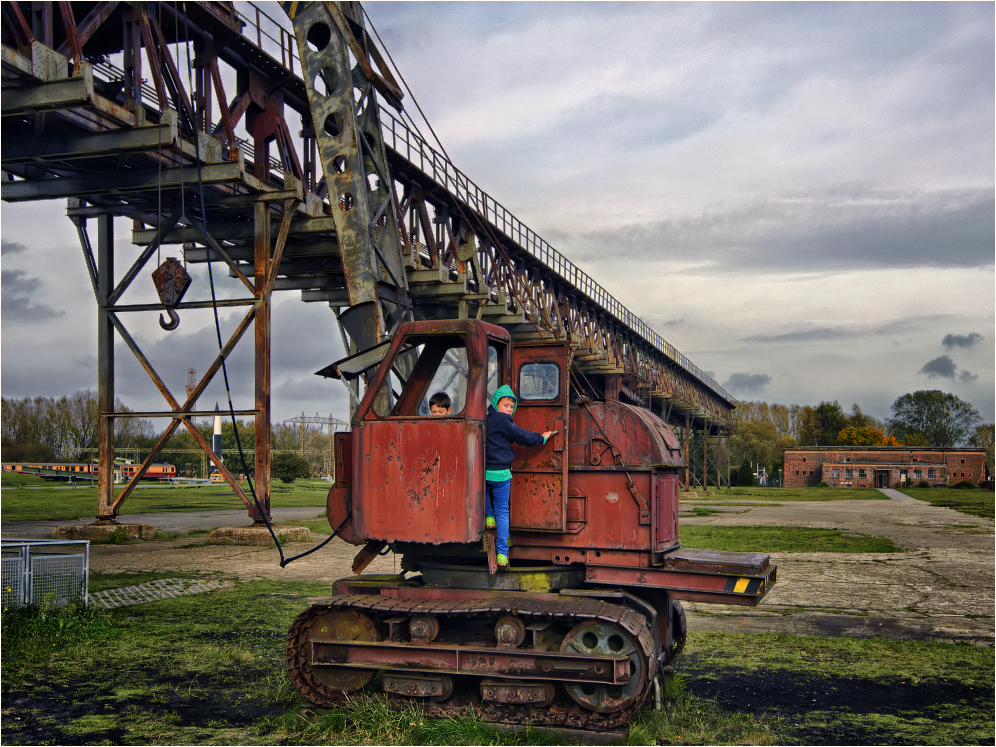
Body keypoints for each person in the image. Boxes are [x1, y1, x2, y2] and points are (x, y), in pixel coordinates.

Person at [485, 384, 556, 568]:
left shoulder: (487, 419)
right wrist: (542, 437)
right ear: (496, 403)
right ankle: (502, 554)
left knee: (484, 494)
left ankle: (488, 517)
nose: (509, 409)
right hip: (501, 474)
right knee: (503, 512)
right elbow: (522, 436)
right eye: (505, 405)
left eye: (511, 406)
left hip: (485, 472)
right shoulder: (504, 421)